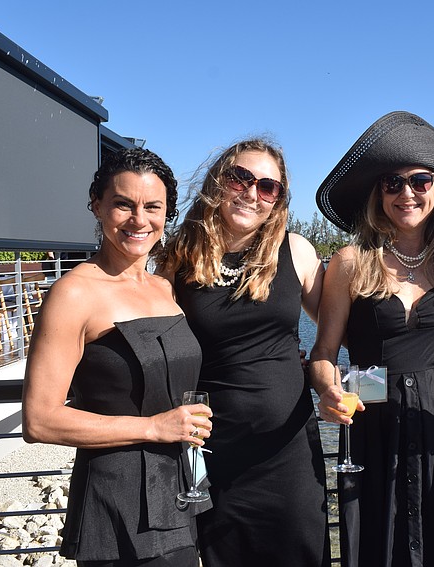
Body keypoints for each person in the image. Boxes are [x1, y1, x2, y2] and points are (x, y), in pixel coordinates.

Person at [310, 111, 434, 567]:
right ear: (378, 194)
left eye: (420, 180)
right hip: (372, 409)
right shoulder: (352, 261)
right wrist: (330, 389)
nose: (406, 193)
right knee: (380, 541)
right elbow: (323, 355)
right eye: (392, 182)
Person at [22, 147, 212, 566]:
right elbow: (39, 419)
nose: (138, 219)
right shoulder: (73, 294)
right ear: (97, 206)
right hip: (115, 501)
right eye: (123, 204)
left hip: (181, 489)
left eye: (152, 206)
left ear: (168, 214)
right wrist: (153, 428)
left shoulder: (164, 287)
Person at [158, 139, 329, 567]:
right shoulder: (179, 258)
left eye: (268, 187)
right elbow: (153, 342)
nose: (252, 193)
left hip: (287, 451)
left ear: (278, 200)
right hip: (214, 454)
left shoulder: (297, 251)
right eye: (241, 178)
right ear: (219, 181)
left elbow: (341, 328)